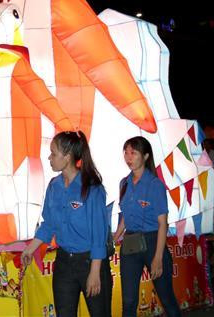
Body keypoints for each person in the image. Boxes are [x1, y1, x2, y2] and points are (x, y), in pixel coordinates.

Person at [21, 131, 111, 317]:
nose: (49, 158)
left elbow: (99, 235)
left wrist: (95, 272)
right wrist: (30, 249)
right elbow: (49, 225)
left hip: (90, 262)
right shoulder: (54, 186)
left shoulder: (92, 188)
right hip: (64, 263)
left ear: (67, 156)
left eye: (53, 153)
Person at [113, 136, 181, 317]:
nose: (128, 157)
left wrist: (158, 257)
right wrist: (115, 237)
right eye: (126, 152)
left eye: (133, 153)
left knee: (166, 299)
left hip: (152, 243)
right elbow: (126, 218)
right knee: (128, 301)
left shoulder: (155, 185)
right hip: (130, 244)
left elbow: (162, 223)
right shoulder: (124, 183)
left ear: (145, 156)